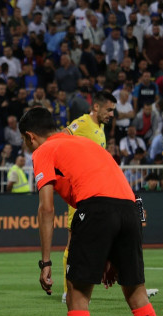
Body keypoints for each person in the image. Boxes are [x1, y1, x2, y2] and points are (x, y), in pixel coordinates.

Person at [19, 107, 163, 316]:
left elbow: (47, 208)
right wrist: (111, 256)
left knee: (77, 294)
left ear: (30, 137)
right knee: (137, 294)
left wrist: (45, 262)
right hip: (129, 208)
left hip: (96, 208)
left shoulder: (44, 151)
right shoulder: (86, 143)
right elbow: (114, 192)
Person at [59, 91, 117, 303]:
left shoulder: (100, 129)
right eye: (109, 110)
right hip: (80, 192)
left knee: (94, 240)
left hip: (95, 192)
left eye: (113, 110)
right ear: (96, 107)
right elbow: (60, 138)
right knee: (73, 241)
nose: (111, 114)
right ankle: (67, 290)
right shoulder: (82, 123)